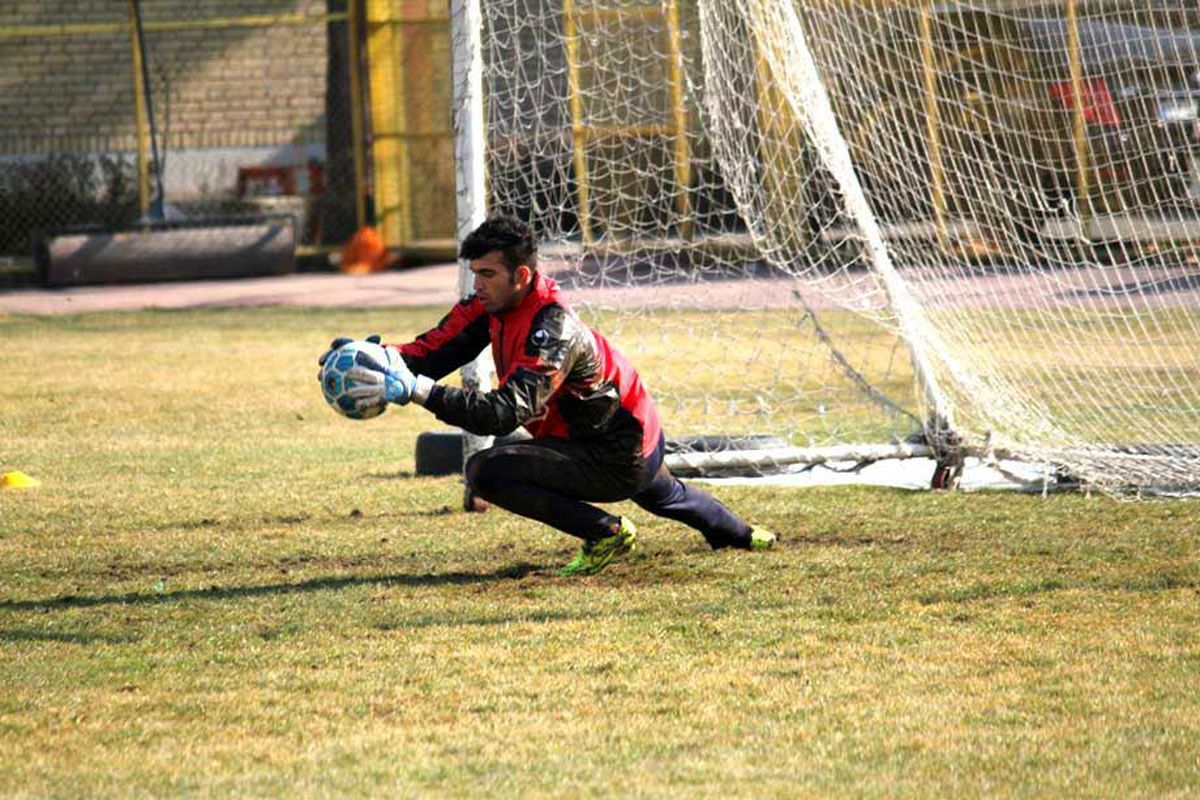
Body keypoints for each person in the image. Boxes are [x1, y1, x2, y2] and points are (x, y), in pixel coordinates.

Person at [320, 214, 775, 576]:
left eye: (487, 274)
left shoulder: (553, 329)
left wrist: (415, 391)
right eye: (473, 273)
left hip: (616, 451)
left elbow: (502, 414)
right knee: (666, 495)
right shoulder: (492, 304)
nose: (477, 284)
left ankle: (606, 533)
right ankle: (741, 534)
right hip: (632, 437)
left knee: (487, 472)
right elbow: (433, 350)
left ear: (520, 275)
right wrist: (374, 358)